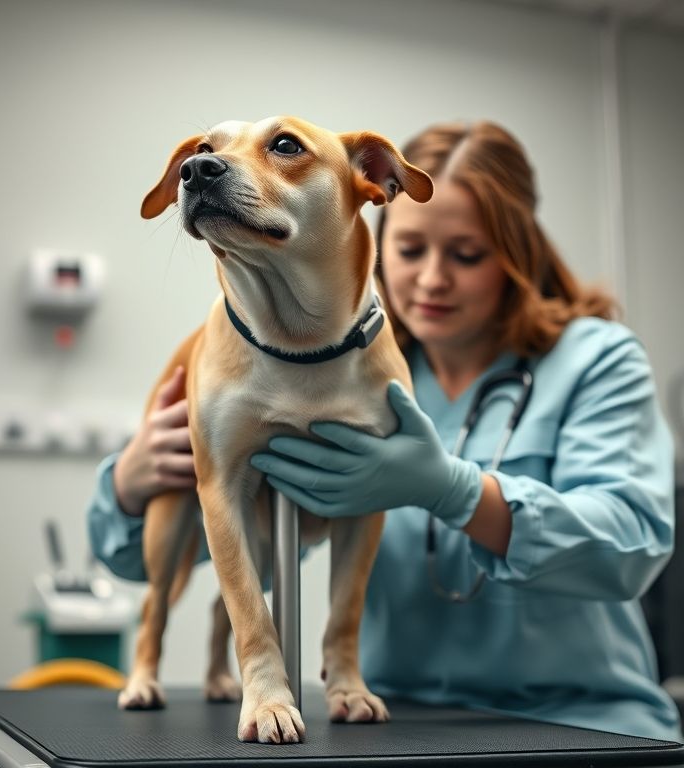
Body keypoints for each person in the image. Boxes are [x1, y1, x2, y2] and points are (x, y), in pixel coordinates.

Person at [87, 120, 681, 741]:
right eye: (410, 250)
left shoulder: (595, 360)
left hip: (583, 722)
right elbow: (160, 557)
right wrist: (130, 484)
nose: (431, 279)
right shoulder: (331, 370)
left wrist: (454, 490)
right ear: (378, 226)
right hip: (397, 726)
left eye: (467, 254)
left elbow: (633, 545)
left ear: (518, 250)